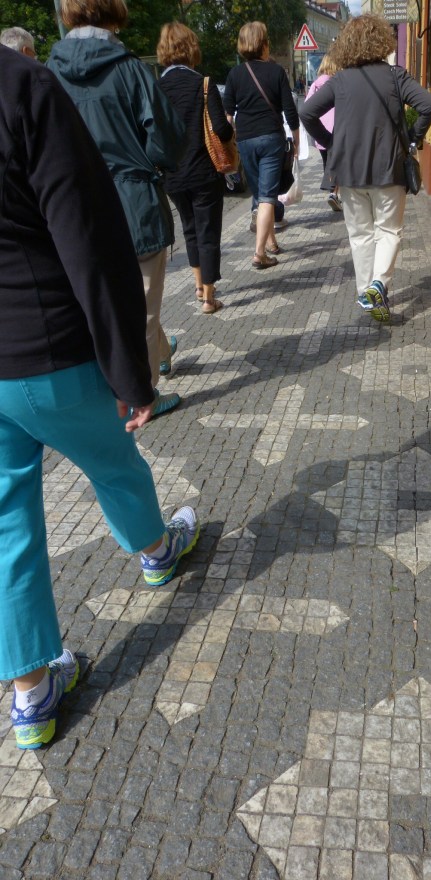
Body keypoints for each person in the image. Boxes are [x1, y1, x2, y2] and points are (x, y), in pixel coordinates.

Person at [0, 47, 200, 750]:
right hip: (43, 345)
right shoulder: (21, 85)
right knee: (112, 459)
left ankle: (30, 693)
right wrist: (130, 371)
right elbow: (87, 236)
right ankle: (156, 550)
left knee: (4, 519)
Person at [47, 0, 187, 413]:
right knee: (141, 303)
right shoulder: (129, 69)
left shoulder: (49, 73)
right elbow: (167, 139)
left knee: (101, 295)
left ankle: (160, 349)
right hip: (132, 199)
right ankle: (145, 392)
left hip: (74, 205)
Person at [300, 14, 431, 323]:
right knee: (388, 231)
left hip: (348, 171)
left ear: (347, 45)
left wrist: (331, 142)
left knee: (360, 234)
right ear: (382, 43)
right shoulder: (395, 76)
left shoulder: (339, 81)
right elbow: (429, 104)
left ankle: (367, 293)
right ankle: (379, 285)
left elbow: (306, 111)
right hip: (389, 169)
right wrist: (414, 139)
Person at [157, 23, 234, 315]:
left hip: (173, 175)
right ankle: (209, 298)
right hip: (204, 171)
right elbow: (222, 130)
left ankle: (199, 285)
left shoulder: (157, 87)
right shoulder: (203, 84)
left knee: (189, 230)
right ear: (191, 48)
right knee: (208, 231)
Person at [223, 21, 300, 269]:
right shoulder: (276, 72)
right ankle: (259, 254)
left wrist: (234, 139)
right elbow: (290, 110)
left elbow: (228, 114)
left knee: (260, 194)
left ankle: (271, 244)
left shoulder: (234, 74)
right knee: (267, 196)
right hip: (270, 138)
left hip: (245, 140)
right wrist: (297, 140)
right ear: (264, 45)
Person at [305, 53, 342, 212]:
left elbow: (307, 106)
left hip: (320, 132)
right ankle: (335, 193)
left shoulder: (315, 84)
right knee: (338, 163)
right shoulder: (337, 84)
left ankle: (331, 191)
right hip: (336, 130)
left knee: (327, 163)